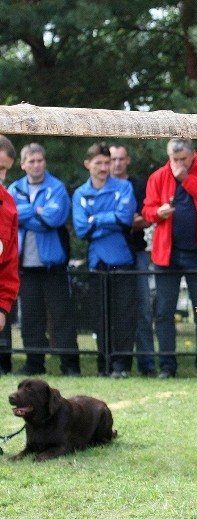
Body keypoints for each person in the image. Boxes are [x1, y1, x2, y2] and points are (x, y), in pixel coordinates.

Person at [9, 142, 81, 376]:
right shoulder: (14, 188)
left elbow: (54, 218)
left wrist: (24, 212)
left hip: (54, 266)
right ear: (22, 165)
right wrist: (37, 210)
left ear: (45, 162)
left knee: (62, 318)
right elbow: (9, 218)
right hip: (25, 267)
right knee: (30, 319)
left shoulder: (57, 187)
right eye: (31, 161)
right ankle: (34, 364)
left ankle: (70, 365)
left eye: (40, 160)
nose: (36, 165)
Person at [72, 143, 137, 377]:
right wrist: (105, 221)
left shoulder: (124, 187)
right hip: (96, 262)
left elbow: (124, 218)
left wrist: (95, 218)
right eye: (98, 163)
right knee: (100, 317)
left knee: (124, 315)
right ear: (88, 164)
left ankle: (121, 366)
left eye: (106, 162)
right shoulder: (80, 193)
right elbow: (81, 229)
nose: (103, 167)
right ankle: (104, 365)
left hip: (121, 259)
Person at [142, 138, 197, 378]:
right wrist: (157, 213)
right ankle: (167, 366)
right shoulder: (158, 176)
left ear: (193, 156)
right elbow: (147, 210)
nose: (178, 164)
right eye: (174, 159)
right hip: (166, 254)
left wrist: (184, 180)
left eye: (183, 160)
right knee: (164, 312)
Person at [110, 142, 155, 376]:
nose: (117, 163)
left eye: (121, 158)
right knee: (114, 312)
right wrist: (125, 219)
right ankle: (115, 365)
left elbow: (145, 219)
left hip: (136, 253)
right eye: (113, 159)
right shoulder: (102, 187)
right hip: (109, 256)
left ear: (127, 160)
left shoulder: (138, 186)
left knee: (143, 309)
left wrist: (119, 219)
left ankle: (147, 364)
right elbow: (129, 219)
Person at [0, 135, 20, 375]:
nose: (3, 177)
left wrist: (3, 308)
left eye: (5, 169)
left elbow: (9, 263)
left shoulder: (9, 205)